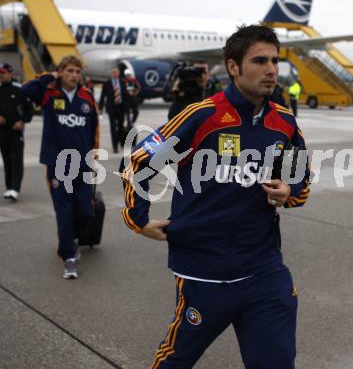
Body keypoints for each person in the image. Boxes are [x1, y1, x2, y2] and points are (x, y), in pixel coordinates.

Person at [120, 25, 310, 368]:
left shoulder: (284, 123)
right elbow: (139, 162)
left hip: (264, 271)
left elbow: (299, 180)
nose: (270, 69)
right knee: (175, 361)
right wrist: (138, 219)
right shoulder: (202, 115)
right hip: (204, 272)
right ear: (233, 67)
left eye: (275, 61)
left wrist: (288, 190)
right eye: (260, 60)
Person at [22, 55, 99, 279]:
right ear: (61, 72)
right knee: (64, 212)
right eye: (70, 71)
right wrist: (48, 77)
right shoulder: (48, 93)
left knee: (86, 211)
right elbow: (26, 90)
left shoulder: (87, 97)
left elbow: (93, 130)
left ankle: (73, 239)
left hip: (82, 164)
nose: (74, 75)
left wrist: (93, 157)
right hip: (57, 164)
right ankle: (68, 258)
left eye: (77, 71)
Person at [0, 62, 34, 201]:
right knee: (7, 160)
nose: (1, 76)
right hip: (2, 131)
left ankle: (15, 188)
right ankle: (9, 188)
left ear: (10, 73)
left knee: (16, 160)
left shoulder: (20, 89)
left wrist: (22, 121)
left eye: (3, 73)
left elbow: (29, 109)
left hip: (16, 130)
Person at [99, 68, 127, 153]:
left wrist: (128, 107)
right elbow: (103, 96)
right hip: (111, 108)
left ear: (118, 73)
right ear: (111, 74)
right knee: (113, 127)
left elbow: (125, 95)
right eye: (113, 72)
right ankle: (115, 146)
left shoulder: (122, 82)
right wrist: (100, 108)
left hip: (121, 107)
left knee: (121, 126)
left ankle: (121, 142)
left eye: (116, 72)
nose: (115, 74)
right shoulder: (106, 84)